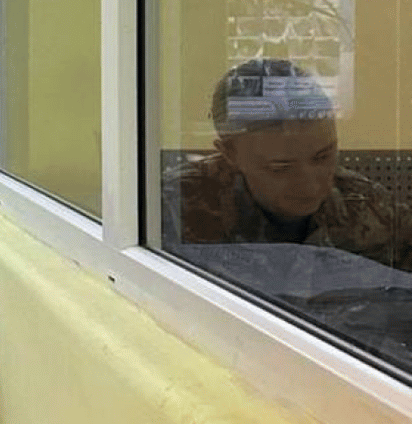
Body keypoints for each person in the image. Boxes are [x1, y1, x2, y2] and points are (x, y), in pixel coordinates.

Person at [162, 58, 412, 271]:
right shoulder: (173, 208)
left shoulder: (369, 206)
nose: (310, 183)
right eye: (280, 167)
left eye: (323, 156)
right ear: (230, 154)